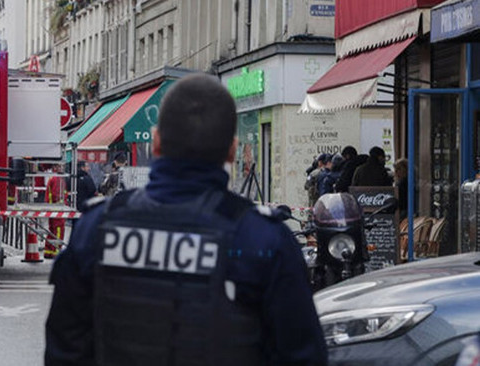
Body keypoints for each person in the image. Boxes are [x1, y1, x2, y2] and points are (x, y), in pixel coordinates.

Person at [45, 73, 327, 366]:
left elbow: (63, 350)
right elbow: (303, 354)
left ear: (155, 142)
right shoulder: (264, 240)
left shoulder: (97, 228)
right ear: (232, 151)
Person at [44, 164, 67, 259]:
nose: (62, 168)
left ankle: (48, 251)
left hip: (52, 208)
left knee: (52, 230)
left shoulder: (52, 178)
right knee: (58, 230)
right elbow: (56, 194)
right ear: (55, 168)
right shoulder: (58, 179)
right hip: (58, 209)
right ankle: (56, 252)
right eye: (60, 167)